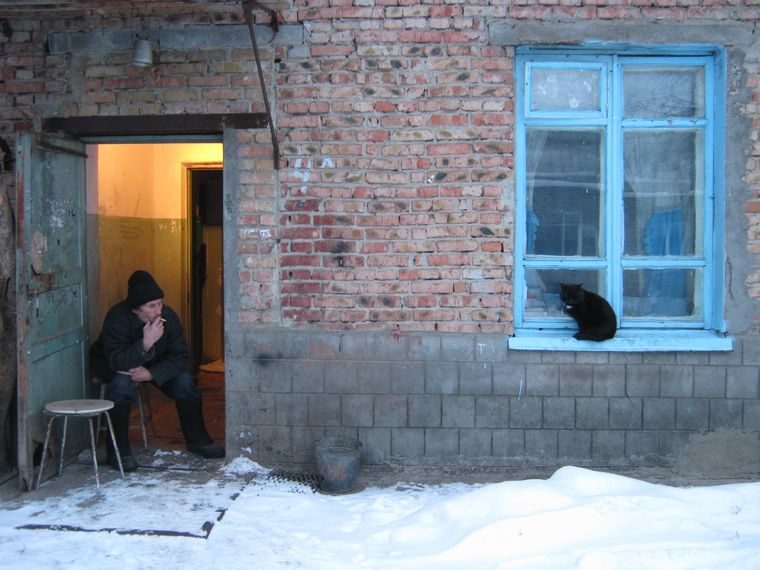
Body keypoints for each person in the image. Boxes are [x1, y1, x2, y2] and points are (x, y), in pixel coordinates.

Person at [90, 270, 224, 472]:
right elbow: (116, 359)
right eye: (151, 306)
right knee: (119, 388)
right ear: (136, 308)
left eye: (160, 303)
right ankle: (118, 452)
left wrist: (151, 374)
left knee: (185, 383)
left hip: (153, 366)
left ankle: (198, 441)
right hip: (118, 367)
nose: (158, 310)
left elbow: (180, 356)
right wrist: (145, 344)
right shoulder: (117, 317)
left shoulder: (168, 316)